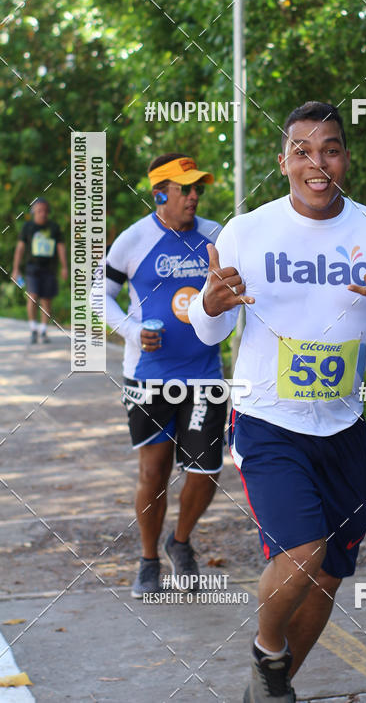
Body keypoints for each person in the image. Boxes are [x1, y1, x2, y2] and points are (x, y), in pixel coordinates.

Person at [189, 102, 366, 703]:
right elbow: (209, 330)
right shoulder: (246, 231)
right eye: (302, 151)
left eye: (330, 149)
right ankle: (267, 651)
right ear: (284, 162)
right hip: (268, 419)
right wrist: (209, 305)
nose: (316, 163)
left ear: (345, 158)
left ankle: (271, 688)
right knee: (302, 553)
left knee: (326, 577)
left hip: (343, 427)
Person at [95, 153, 228, 597]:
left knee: (206, 470)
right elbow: (99, 294)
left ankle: (181, 541)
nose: (194, 196)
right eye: (184, 188)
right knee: (153, 472)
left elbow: (236, 290)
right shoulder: (133, 240)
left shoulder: (216, 236)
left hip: (204, 374)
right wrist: (132, 331)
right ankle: (148, 559)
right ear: (159, 194)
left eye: (197, 188)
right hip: (148, 375)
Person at [11, 197, 68, 344]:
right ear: (34, 211)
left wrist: (64, 267)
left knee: (47, 300)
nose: (42, 213)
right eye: (39, 210)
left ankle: (43, 330)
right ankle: (33, 329)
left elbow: (61, 247)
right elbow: (20, 248)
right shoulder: (28, 227)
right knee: (33, 296)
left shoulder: (54, 228)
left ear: (48, 212)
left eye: (45, 210)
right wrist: (16, 269)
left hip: (49, 269)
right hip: (32, 268)